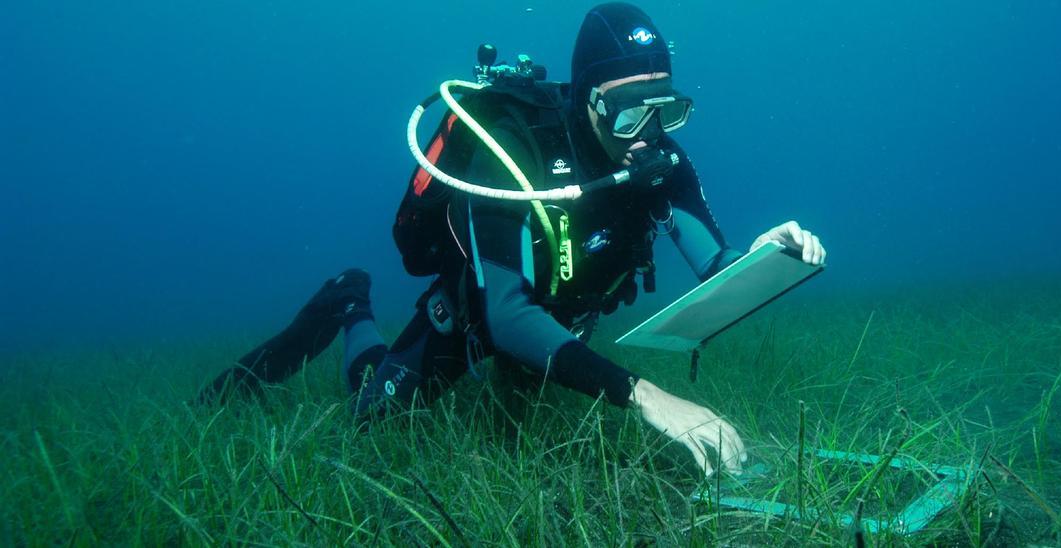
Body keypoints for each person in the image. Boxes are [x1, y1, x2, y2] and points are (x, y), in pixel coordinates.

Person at [198, 2, 826, 477]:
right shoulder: (512, 151)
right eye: (630, 110)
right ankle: (349, 302)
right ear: (586, 100)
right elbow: (507, 314)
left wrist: (760, 257)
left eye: (668, 109)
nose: (650, 133)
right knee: (374, 416)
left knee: (522, 426)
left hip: (562, 325)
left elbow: (713, 265)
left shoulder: (657, 159)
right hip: (482, 313)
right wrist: (648, 396)